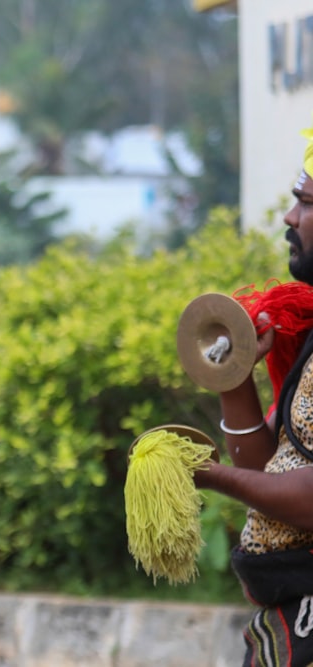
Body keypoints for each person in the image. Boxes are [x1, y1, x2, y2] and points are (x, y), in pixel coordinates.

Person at [193, 124, 313, 665]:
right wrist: (236, 377)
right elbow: (274, 467)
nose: (291, 219)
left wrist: (214, 477)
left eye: (306, 203)